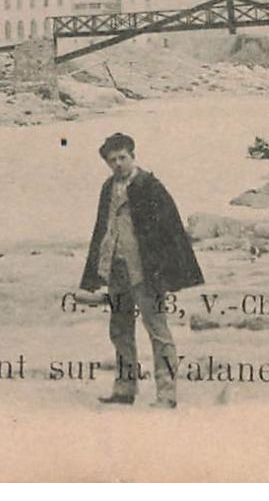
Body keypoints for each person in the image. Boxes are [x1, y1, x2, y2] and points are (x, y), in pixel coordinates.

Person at [78, 132, 204, 408]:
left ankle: (167, 395)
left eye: (123, 157)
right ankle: (124, 390)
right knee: (120, 330)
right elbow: (102, 230)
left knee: (158, 331)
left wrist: (164, 272)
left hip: (146, 273)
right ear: (107, 163)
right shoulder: (108, 188)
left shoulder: (150, 186)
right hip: (117, 270)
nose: (119, 164)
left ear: (133, 156)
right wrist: (95, 273)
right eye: (113, 160)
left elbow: (170, 230)